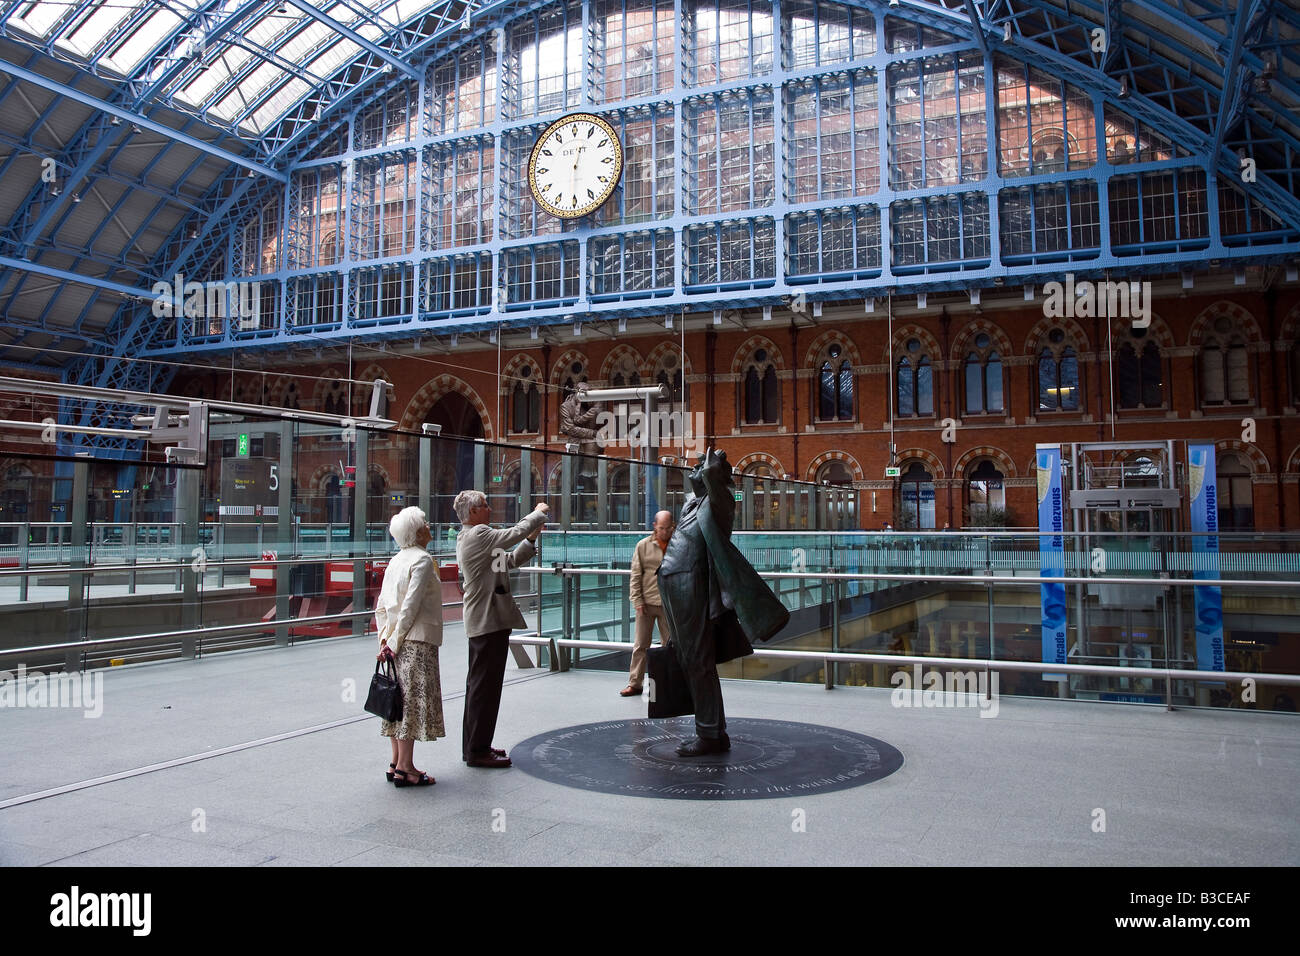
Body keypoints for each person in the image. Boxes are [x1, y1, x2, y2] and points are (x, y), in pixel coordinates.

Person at [658, 448, 789, 756]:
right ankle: (712, 731)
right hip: (678, 590)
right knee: (691, 660)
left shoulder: (720, 502)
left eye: (699, 466)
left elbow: (711, 481)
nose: (693, 469)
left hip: (693, 590)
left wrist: (712, 464)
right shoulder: (694, 502)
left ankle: (709, 735)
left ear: (714, 474)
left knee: (698, 661)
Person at [454, 491, 549, 768]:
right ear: (472, 512)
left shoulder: (475, 538)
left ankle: (475, 746)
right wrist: (538, 513)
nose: (489, 509)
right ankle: (477, 750)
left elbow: (507, 561)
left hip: (486, 621)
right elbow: (512, 533)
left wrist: (532, 538)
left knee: (481, 687)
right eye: (484, 505)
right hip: (487, 621)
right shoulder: (478, 534)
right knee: (484, 688)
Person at [375, 506, 444, 788]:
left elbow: (382, 605)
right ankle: (407, 768)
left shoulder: (395, 561)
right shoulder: (423, 560)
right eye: (425, 523)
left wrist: (385, 640)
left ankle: (395, 762)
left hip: (393, 643)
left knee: (395, 701)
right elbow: (411, 607)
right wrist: (396, 639)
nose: (429, 526)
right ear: (417, 532)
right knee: (411, 705)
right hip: (415, 640)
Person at [621, 510, 674, 697]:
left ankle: (668, 684)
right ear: (654, 526)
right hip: (646, 604)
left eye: (668, 528)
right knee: (641, 645)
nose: (665, 532)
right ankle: (635, 683)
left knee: (670, 647)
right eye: (661, 528)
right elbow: (635, 575)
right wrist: (637, 600)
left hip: (670, 604)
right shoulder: (643, 546)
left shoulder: (679, 545)